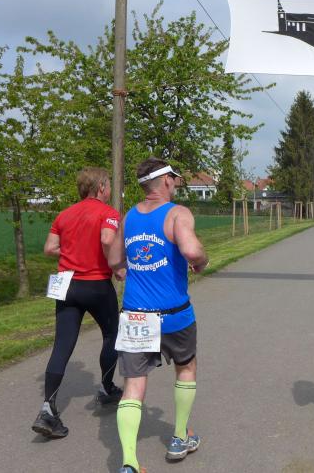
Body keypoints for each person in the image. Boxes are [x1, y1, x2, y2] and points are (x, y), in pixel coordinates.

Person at [107, 157, 209, 473]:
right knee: (186, 368)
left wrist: (124, 269)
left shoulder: (130, 217)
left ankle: (129, 462)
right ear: (166, 180)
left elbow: (113, 258)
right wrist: (202, 261)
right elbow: (191, 251)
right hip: (174, 314)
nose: (176, 183)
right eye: (174, 179)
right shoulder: (177, 213)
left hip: (136, 314)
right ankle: (179, 437)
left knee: (133, 386)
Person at [32, 167, 125, 439]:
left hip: (66, 285)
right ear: (100, 187)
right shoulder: (108, 213)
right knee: (112, 334)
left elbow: (50, 248)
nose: (109, 190)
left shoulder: (64, 214)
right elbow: (107, 239)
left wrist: (73, 250)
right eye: (108, 185)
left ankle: (48, 409)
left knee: (62, 344)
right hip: (95, 284)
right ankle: (107, 388)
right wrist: (117, 266)